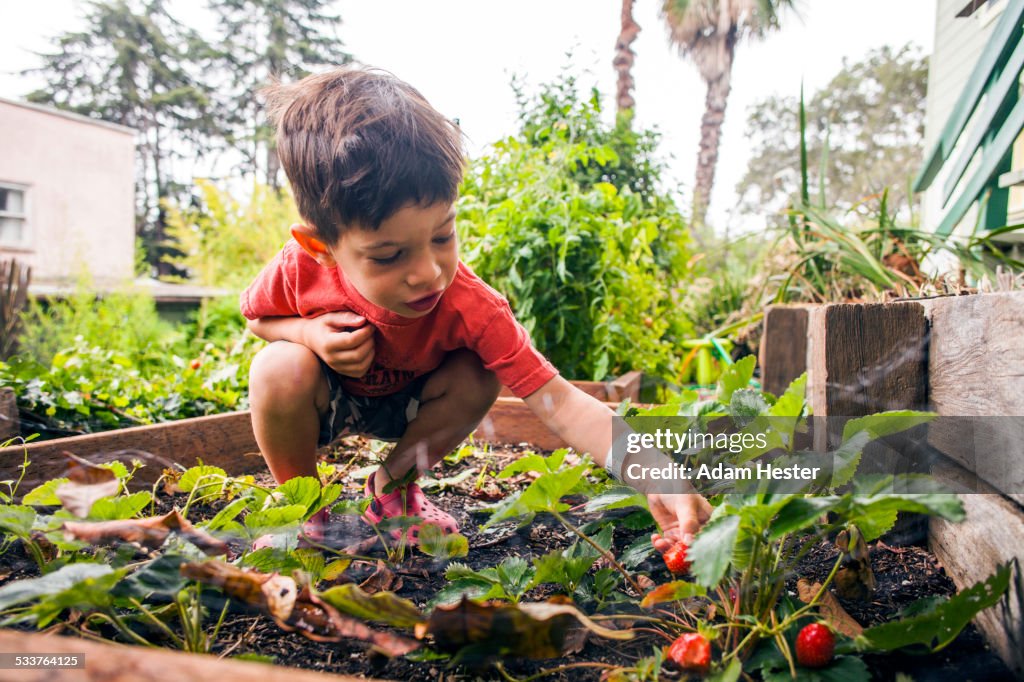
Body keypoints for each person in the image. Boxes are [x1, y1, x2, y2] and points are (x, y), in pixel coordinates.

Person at [240, 66, 710, 553]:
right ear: (320, 246)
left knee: (482, 371)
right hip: (330, 401)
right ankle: (306, 509)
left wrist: (662, 476)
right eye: (388, 255)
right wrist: (309, 335)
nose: (428, 273)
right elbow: (257, 318)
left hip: (413, 410)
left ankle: (392, 490)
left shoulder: (472, 306)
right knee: (278, 365)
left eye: (442, 236)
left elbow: (563, 403)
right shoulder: (300, 268)